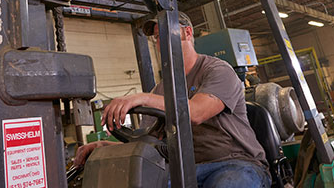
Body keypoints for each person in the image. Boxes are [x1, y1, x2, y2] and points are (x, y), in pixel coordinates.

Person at [74, 12, 271, 188]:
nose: (161, 42)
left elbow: (196, 113)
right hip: (186, 169)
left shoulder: (217, 70)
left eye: (167, 33)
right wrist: (106, 148)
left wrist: (142, 97)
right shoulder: (161, 89)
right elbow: (150, 144)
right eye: (158, 37)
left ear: (187, 33)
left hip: (234, 163)